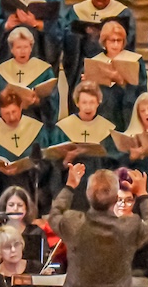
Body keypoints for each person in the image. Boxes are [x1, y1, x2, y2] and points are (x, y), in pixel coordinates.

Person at [42, 81, 120, 210]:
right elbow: (54, 162)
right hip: (72, 186)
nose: (88, 107)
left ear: (98, 102)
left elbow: (113, 161)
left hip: (99, 189)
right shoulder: (64, 128)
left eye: (91, 102)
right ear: (77, 103)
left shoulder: (107, 129)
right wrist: (67, 159)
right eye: (84, 102)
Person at [61, 0, 136, 88]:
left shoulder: (122, 13)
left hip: (112, 70)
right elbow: (66, 42)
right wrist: (84, 34)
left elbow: (129, 45)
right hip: (83, 69)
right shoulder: (77, 11)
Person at [0, 89, 46, 218]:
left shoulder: (35, 129)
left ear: (21, 107)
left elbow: (45, 160)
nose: (11, 117)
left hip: (28, 183)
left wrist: (32, 165)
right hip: (0, 186)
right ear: (0, 112)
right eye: (6, 113)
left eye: (14, 112)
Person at [0, 27, 58, 126]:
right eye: (18, 47)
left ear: (31, 48)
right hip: (7, 123)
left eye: (26, 47)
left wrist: (38, 101)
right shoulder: (0, 72)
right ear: (12, 49)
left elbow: (53, 101)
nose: (23, 51)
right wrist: (2, 98)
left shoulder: (44, 71)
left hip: (34, 120)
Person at [83, 20, 145, 129]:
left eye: (119, 41)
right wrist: (87, 85)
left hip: (126, 114)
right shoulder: (95, 62)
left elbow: (142, 91)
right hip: (103, 114)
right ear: (104, 42)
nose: (115, 45)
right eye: (112, 41)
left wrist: (122, 83)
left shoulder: (135, 61)